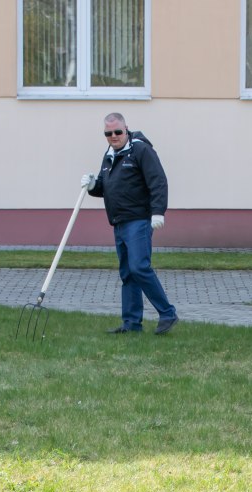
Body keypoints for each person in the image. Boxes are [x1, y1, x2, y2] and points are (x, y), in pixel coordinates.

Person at [82, 113, 178, 335]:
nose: (113, 136)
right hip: (119, 222)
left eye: (117, 132)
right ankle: (132, 323)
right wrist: (92, 185)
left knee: (139, 267)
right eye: (108, 133)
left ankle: (167, 313)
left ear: (126, 129)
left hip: (139, 220)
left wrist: (158, 211)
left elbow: (158, 181)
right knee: (127, 272)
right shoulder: (109, 155)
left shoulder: (140, 150)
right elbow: (105, 188)